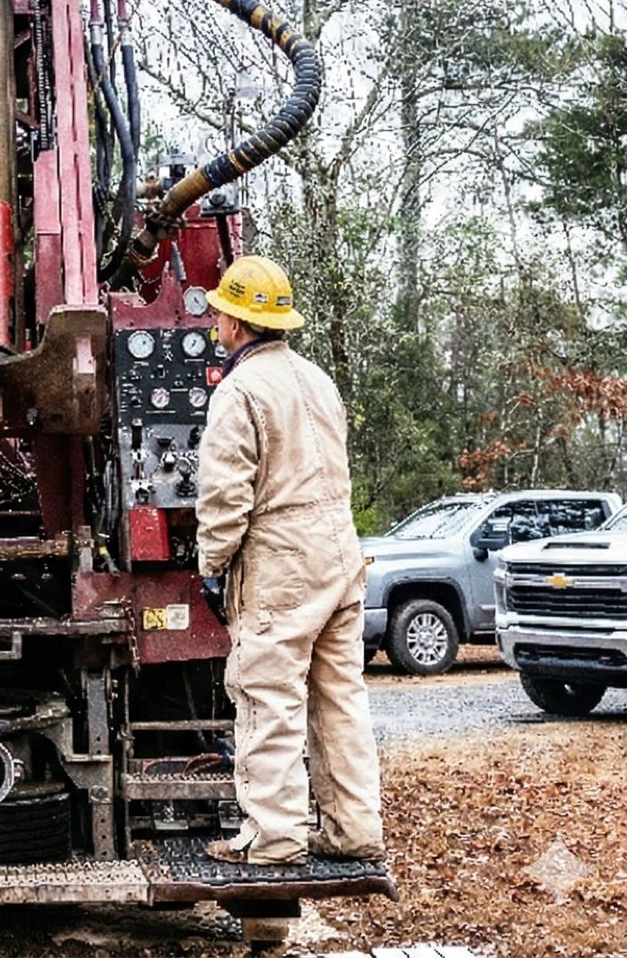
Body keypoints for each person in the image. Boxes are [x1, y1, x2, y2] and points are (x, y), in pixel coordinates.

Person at [195, 255, 384, 867]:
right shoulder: (317, 380)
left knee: (267, 695)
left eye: (221, 312)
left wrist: (212, 566)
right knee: (339, 699)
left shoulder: (240, 392)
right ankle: (353, 831)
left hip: (283, 561)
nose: (217, 321)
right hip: (339, 550)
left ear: (235, 322)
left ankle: (274, 839)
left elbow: (226, 498)